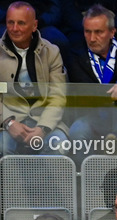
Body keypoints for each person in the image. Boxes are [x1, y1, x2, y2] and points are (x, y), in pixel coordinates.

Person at [64, 5, 117, 147]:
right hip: (94, 114)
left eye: (98, 32)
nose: (92, 38)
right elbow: (85, 89)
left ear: (112, 32)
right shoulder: (76, 53)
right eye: (87, 32)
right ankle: (84, 169)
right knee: (78, 130)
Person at [0, 2, 69, 154]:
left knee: (59, 144)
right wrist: (8, 122)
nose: (14, 28)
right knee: (2, 145)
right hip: (9, 119)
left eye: (21, 23)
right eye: (10, 22)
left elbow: (57, 97)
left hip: (44, 120)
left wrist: (43, 128)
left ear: (34, 25)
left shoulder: (52, 52)